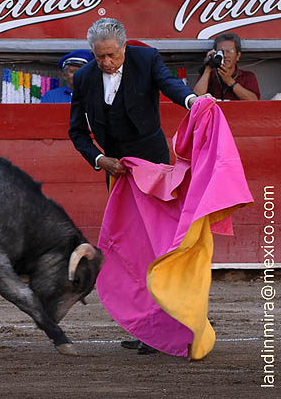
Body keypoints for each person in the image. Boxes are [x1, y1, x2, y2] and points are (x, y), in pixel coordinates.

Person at [68, 18, 197, 353]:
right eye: (100, 57)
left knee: (159, 247)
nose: (106, 63)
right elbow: (77, 132)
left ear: (124, 46)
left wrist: (192, 102)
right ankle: (146, 326)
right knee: (131, 251)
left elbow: (171, 86)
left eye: (111, 55)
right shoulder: (84, 78)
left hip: (153, 171)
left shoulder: (146, 59)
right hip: (119, 174)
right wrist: (100, 160)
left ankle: (172, 322)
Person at [193, 32, 260, 101]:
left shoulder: (247, 76)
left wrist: (229, 81)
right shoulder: (209, 75)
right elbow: (197, 99)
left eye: (229, 51)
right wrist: (208, 68)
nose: (225, 55)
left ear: (238, 55)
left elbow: (254, 101)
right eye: (221, 52)